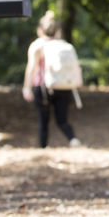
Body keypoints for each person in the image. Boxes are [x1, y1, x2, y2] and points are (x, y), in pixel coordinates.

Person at [22, 11, 82, 149]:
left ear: (39, 30)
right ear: (57, 31)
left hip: (43, 87)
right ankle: (72, 139)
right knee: (62, 119)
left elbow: (31, 68)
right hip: (63, 86)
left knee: (43, 119)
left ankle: (43, 146)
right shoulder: (65, 46)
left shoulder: (37, 46)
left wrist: (27, 87)